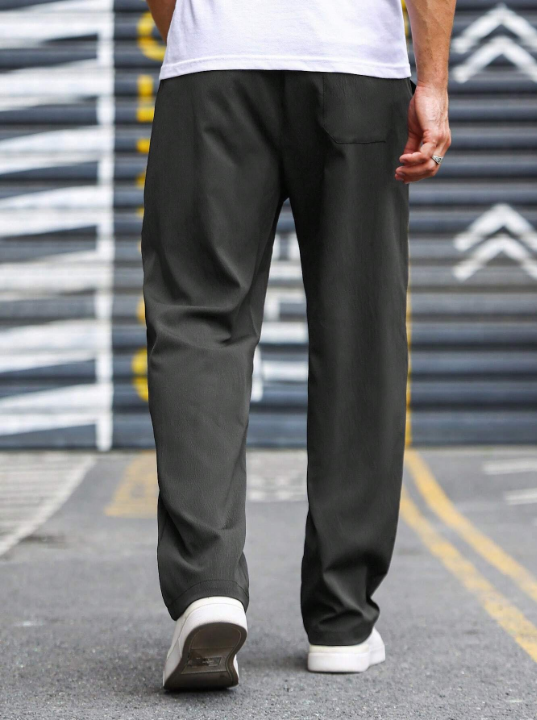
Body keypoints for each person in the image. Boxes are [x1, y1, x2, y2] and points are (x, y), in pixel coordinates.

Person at [142, 0, 454, 691]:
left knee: (198, 322)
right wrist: (431, 81)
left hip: (214, 64)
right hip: (354, 63)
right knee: (360, 335)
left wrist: (202, 35)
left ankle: (206, 591)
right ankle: (342, 619)